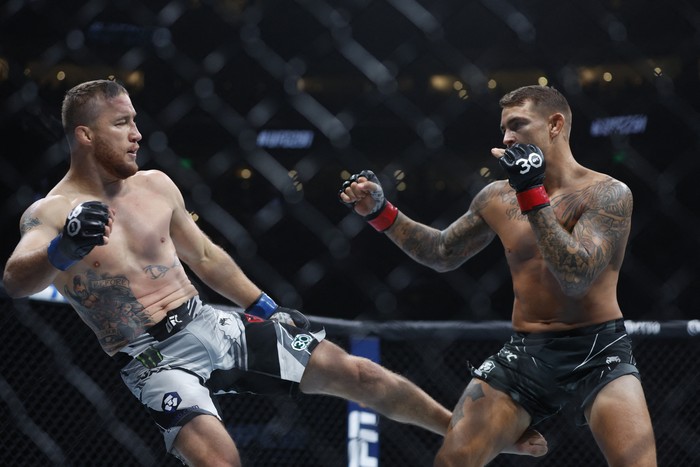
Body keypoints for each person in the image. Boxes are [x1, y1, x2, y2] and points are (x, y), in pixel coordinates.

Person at [2, 79, 545, 466]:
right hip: (150, 357)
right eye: (122, 123)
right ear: (84, 136)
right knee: (219, 459)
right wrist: (64, 250)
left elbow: (208, 258)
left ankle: (467, 435)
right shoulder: (51, 213)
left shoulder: (156, 184)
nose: (137, 133)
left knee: (363, 375)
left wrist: (264, 308)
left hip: (207, 321)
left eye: (136, 121)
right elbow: (14, 280)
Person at [339, 85, 657, 467]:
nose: (507, 138)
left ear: (555, 125)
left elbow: (576, 276)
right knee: (453, 460)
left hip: (599, 348)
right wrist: (382, 214)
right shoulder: (496, 197)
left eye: (518, 125)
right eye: (504, 129)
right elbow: (442, 252)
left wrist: (532, 192)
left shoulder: (607, 194)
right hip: (528, 351)